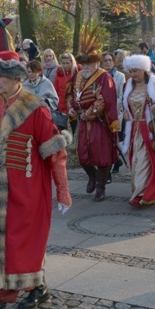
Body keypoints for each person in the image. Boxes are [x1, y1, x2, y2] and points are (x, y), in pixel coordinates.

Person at [0, 51, 72, 309]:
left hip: (28, 194)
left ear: (15, 77)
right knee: (4, 248)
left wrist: (62, 191)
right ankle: (39, 287)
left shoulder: (36, 109)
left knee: (15, 247)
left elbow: (55, 152)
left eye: (1, 75)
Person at [120, 55, 155, 206]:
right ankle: (140, 191)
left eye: (136, 71)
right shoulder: (128, 86)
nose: (133, 74)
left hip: (150, 129)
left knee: (145, 162)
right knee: (135, 161)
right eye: (131, 71)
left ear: (144, 70)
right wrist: (126, 113)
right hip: (134, 129)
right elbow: (124, 105)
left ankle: (142, 194)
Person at [67, 43, 119, 202]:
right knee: (82, 156)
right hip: (82, 122)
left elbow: (103, 101)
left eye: (89, 63)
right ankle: (92, 176)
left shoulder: (104, 77)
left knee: (101, 156)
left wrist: (89, 114)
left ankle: (101, 187)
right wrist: (70, 108)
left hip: (99, 123)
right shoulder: (77, 76)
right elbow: (69, 94)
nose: (86, 66)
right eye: (83, 63)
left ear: (97, 63)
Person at [101, 53, 126, 175]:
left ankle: (114, 162)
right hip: (102, 113)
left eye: (110, 60)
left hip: (116, 112)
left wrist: (113, 109)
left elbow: (121, 95)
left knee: (114, 139)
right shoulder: (99, 75)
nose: (108, 63)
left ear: (114, 62)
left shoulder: (120, 76)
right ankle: (113, 162)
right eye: (105, 60)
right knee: (105, 140)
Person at [54, 53, 80, 133]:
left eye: (67, 63)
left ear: (72, 62)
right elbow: (55, 90)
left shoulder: (77, 73)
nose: (65, 65)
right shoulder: (59, 74)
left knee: (74, 129)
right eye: (63, 63)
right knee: (62, 130)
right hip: (61, 106)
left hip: (74, 104)